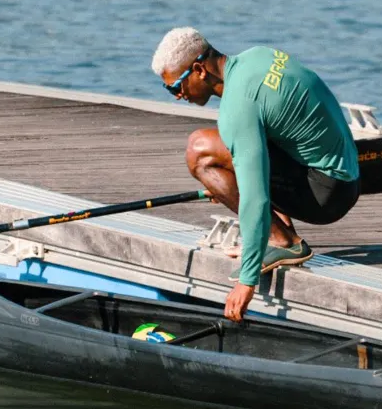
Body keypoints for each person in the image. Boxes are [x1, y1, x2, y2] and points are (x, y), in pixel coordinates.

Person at [151, 27, 360, 322]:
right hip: (345, 173)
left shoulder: (238, 107)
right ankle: (280, 234)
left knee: (200, 150)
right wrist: (229, 179)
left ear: (198, 69)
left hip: (325, 195)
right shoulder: (258, 56)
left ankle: (283, 242)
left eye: (175, 87)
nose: (176, 96)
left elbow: (254, 197)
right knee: (238, 152)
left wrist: (246, 281)